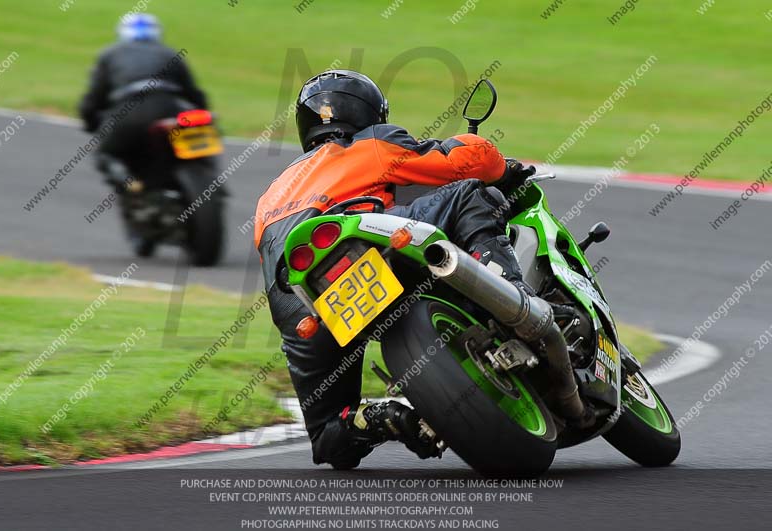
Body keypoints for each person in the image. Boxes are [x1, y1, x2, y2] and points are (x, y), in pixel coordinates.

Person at [254, 70, 536, 469]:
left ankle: (377, 420)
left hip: (298, 302)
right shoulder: (370, 143)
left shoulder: (271, 194)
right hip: (364, 248)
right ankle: (512, 293)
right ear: (371, 113)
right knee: (468, 195)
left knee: (328, 438)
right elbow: (465, 161)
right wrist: (503, 170)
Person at [78, 13, 208, 188]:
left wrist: (90, 121)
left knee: (105, 153)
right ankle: (205, 175)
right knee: (198, 144)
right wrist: (201, 114)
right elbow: (194, 93)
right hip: (169, 108)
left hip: (129, 110)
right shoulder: (169, 53)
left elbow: (95, 97)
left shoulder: (110, 54)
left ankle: (132, 185)